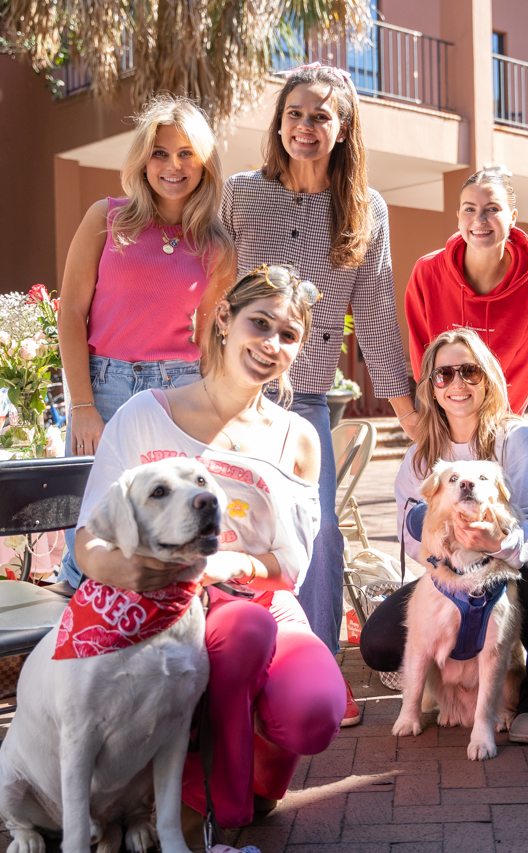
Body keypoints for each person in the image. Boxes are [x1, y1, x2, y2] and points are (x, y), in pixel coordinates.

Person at [71, 265, 345, 831]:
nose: (270, 344)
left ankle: (228, 782)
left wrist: (223, 564)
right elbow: (89, 541)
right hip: (153, 606)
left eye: (287, 335)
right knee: (227, 638)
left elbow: (291, 564)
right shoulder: (145, 415)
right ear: (224, 319)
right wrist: (136, 574)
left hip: (261, 604)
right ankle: (194, 794)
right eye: (259, 323)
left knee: (313, 711)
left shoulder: (299, 437)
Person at [220, 65, 416, 717]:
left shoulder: (367, 209)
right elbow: (210, 290)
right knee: (233, 531)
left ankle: (317, 671)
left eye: (322, 115)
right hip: (233, 400)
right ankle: (235, 669)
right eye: (297, 113)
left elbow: (380, 315)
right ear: (280, 123)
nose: (307, 126)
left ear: (343, 128)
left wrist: (411, 415)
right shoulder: (242, 195)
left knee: (321, 529)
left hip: (304, 402)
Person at [358, 329, 528, 744]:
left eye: (469, 372)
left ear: (488, 378)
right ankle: (455, 692)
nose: (457, 384)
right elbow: (411, 535)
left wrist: (496, 545)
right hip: (446, 577)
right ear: (431, 387)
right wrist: (445, 553)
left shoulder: (518, 438)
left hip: (507, 567)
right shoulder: (422, 454)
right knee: (380, 642)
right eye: (444, 375)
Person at [58, 94, 235, 588]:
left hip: (176, 390)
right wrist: (82, 404)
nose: (173, 165)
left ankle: (164, 624)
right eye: (160, 153)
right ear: (142, 159)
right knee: (94, 521)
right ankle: (84, 628)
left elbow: (209, 343)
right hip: (105, 386)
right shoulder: (106, 218)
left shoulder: (216, 247)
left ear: (204, 162)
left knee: (169, 520)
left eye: (186, 153)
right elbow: (70, 312)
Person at [404, 167, 528, 415]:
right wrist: (438, 414)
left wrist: (499, 426)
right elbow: (421, 351)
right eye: (469, 209)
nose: (479, 219)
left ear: (512, 216)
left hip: (498, 418)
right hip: (438, 410)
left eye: (492, 209)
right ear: (458, 216)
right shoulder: (427, 271)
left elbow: (527, 365)